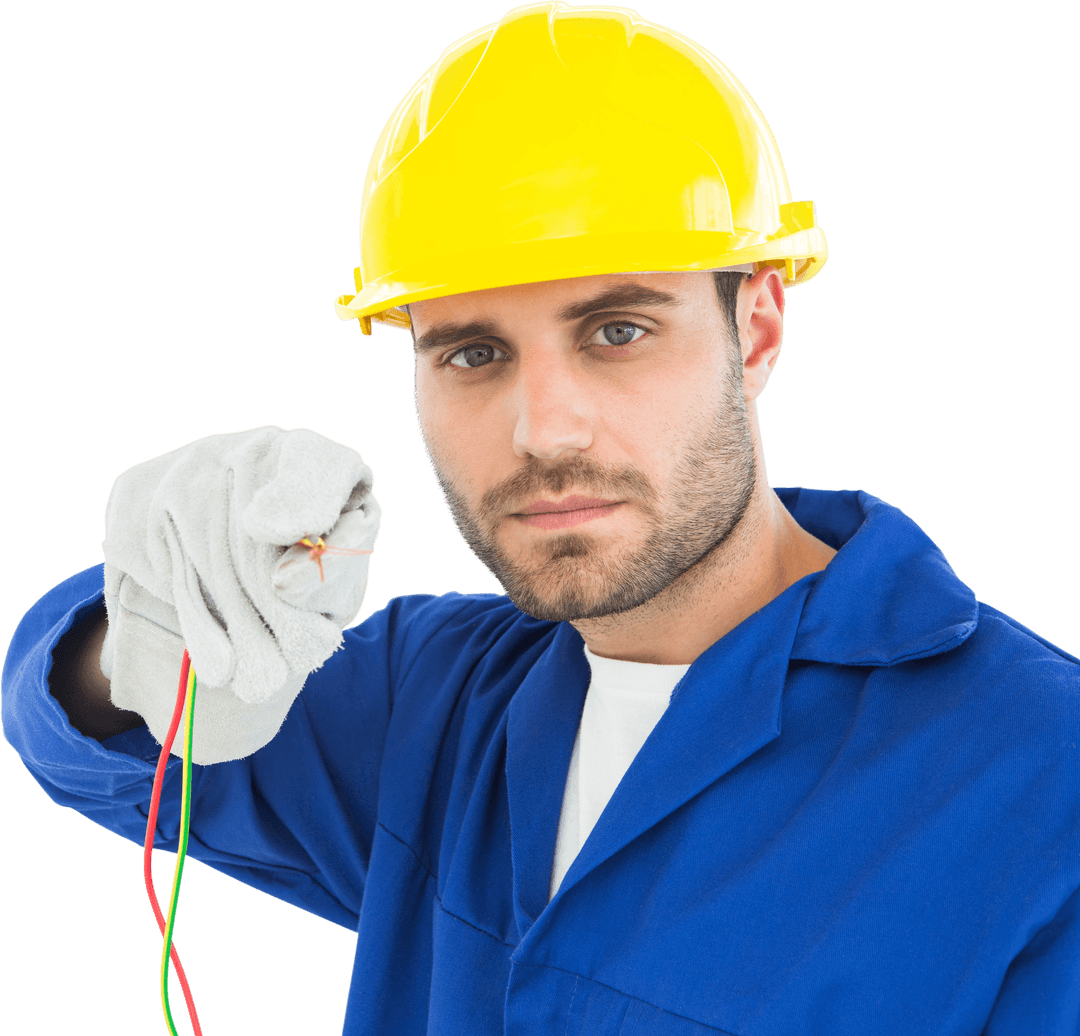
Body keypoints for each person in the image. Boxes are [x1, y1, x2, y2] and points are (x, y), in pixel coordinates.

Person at [3, 3, 1077, 1034]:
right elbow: (84, 742)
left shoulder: (1039, 780)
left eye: (617, 331)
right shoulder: (433, 700)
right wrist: (152, 621)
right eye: (473, 353)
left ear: (754, 330)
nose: (542, 431)